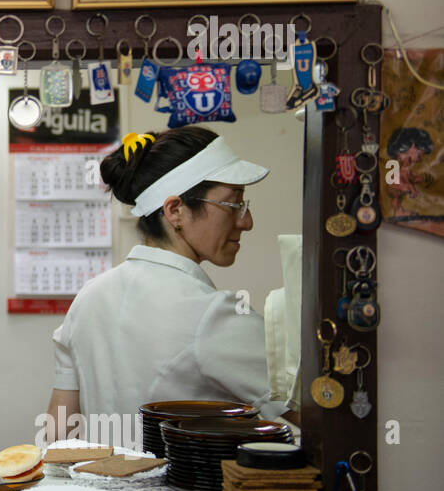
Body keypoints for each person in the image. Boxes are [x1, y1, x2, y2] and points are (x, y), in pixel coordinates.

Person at [44, 126, 296, 444]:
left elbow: (57, 437)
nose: (246, 222)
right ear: (175, 210)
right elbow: (316, 410)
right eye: (234, 205)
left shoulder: (90, 297)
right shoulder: (212, 314)